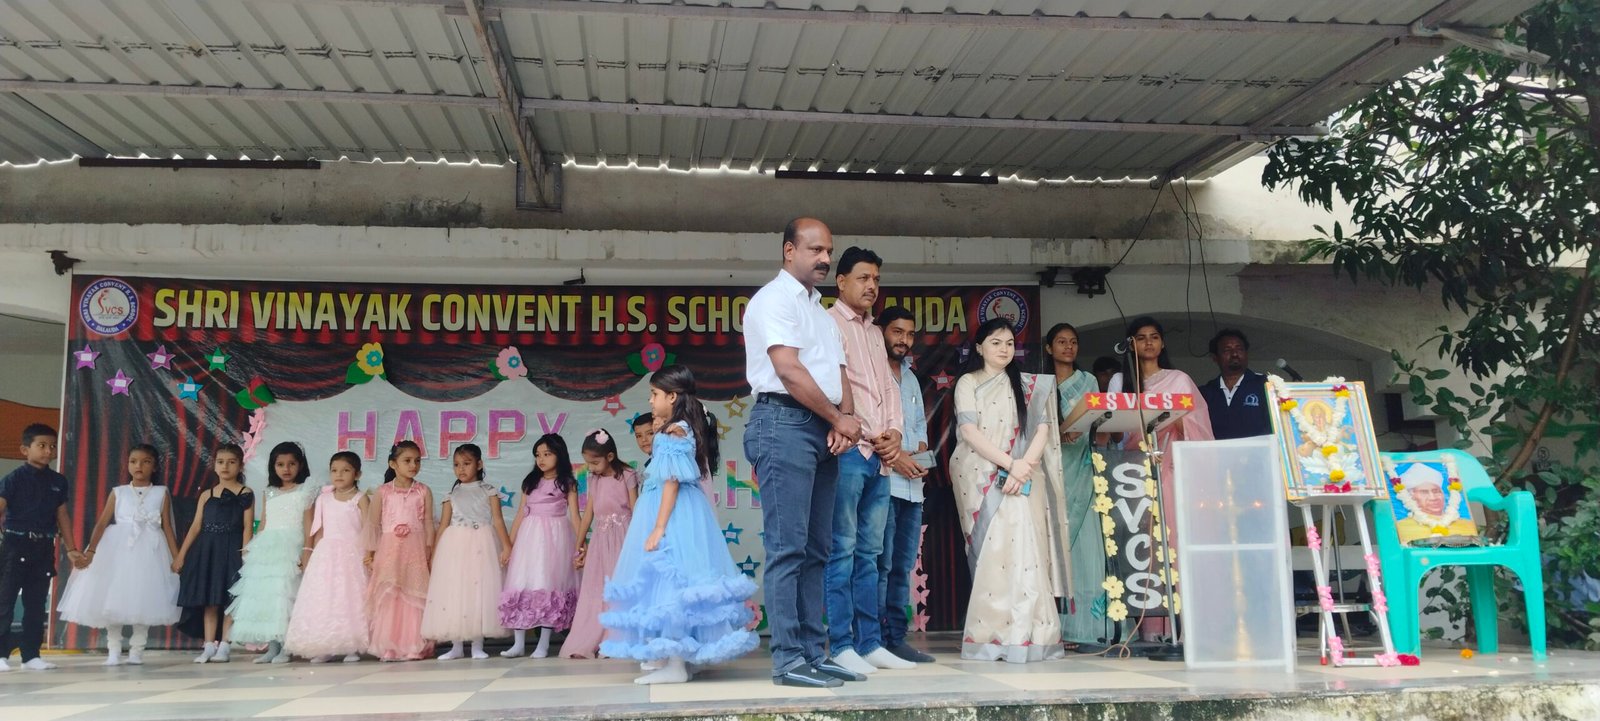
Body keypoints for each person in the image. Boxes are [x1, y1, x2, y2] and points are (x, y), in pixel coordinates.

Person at [741, 217, 864, 688]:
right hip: (783, 424)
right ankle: (788, 659)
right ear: (788, 251)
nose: (825, 259)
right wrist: (838, 419)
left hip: (822, 428)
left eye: (828, 250)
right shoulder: (773, 300)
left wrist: (845, 421)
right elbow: (788, 371)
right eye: (815, 249)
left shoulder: (820, 310)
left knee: (818, 549)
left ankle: (814, 653)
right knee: (788, 548)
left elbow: (839, 372)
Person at [599, 365, 759, 684]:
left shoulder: (675, 431)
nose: (650, 400)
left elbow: (671, 481)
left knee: (673, 579)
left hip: (673, 511)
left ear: (672, 396)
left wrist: (659, 527)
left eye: (655, 394)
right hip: (674, 507)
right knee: (672, 580)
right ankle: (679, 657)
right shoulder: (680, 427)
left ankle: (675, 662)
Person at [950, 318, 1070, 662]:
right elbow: (969, 432)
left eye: (1008, 343)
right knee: (995, 554)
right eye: (995, 342)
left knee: (1027, 553)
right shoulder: (968, 382)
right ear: (979, 348)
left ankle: (1031, 635)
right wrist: (1009, 464)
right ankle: (993, 635)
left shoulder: (1029, 385)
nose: (1003, 349)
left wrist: (1023, 466)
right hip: (983, 476)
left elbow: (1042, 430)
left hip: (1025, 478)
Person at [824, 246, 920, 674]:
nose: (871, 286)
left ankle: (869, 643)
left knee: (870, 553)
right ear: (841, 281)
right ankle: (842, 643)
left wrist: (895, 434)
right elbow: (833, 388)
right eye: (863, 278)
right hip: (849, 453)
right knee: (842, 550)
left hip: (880, 458)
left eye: (876, 279)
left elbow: (888, 389)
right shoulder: (828, 324)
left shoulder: (875, 332)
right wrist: (869, 434)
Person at [55, 443, 180, 666]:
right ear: (128, 465)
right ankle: (113, 649)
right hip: (117, 549)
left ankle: (137, 650)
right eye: (134, 461)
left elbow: (167, 527)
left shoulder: (161, 493)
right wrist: (91, 551)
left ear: (154, 466)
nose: (139, 466)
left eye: (146, 462)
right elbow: (103, 522)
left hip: (150, 551)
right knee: (113, 598)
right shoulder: (119, 492)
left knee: (145, 597)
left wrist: (176, 557)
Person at [874, 305, 934, 663]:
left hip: (913, 488)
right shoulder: (872, 371)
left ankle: (896, 639)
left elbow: (919, 428)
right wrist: (898, 458)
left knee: (902, 565)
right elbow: (870, 428)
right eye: (897, 332)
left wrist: (920, 452)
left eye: (910, 334)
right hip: (883, 482)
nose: (904, 340)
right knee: (879, 565)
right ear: (880, 331)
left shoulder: (910, 377)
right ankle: (874, 640)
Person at [0, 424, 85, 673]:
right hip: (15, 545)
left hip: (44, 547)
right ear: (25, 449)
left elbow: (62, 515)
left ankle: (31, 655)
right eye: (42, 445)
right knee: (5, 601)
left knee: (36, 602)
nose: (48, 451)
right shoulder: (14, 479)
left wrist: (71, 548)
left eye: (52, 446)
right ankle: (1, 654)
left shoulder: (58, 481)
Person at [1046, 323, 1108, 648]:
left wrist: (1074, 430)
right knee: (1051, 546)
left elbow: (1095, 418)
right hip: (1051, 469)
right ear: (1049, 348)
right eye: (1061, 342)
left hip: (1082, 469)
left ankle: (1086, 626)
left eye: (1072, 342)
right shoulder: (1039, 384)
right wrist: (1059, 431)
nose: (1068, 347)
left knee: (1086, 547)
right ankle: (1051, 627)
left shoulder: (1088, 381)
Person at [422, 443, 512, 660]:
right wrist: (435, 553)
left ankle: (477, 645)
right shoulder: (451, 495)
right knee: (456, 591)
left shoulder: (489, 491)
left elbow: (498, 520)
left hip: (482, 545)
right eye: (456, 465)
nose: (461, 469)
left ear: (479, 464)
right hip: (455, 547)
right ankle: (456, 646)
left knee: (479, 591)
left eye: (466, 463)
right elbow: (443, 525)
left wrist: (507, 545)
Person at [228, 442, 315, 664]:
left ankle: (287, 647)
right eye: (280, 464)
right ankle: (272, 647)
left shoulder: (305, 490)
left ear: (300, 465)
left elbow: (309, 523)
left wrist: (306, 549)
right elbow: (264, 522)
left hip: (291, 546)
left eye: (291, 464)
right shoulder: (269, 492)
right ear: (273, 467)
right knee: (268, 597)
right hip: (268, 548)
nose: (286, 469)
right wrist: (254, 548)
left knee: (285, 596)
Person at [284, 451, 371, 663]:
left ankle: (351, 646)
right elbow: (318, 529)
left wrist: (369, 554)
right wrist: (312, 553)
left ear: (357, 474)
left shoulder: (361, 499)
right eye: (334, 470)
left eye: (345, 470)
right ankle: (325, 645)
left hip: (352, 553)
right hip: (327, 554)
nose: (339, 474)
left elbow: (368, 529)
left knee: (349, 598)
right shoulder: (323, 498)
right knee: (325, 598)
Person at [499, 434, 580, 658]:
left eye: (547, 454)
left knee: (546, 583)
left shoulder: (567, 483)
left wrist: (581, 543)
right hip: (529, 538)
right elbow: (520, 514)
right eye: (537, 455)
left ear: (559, 455)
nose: (541, 459)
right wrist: (509, 544)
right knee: (521, 583)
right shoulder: (530, 482)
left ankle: (543, 644)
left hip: (555, 538)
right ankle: (518, 643)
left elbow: (575, 516)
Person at [173, 442, 254, 663]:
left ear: (240, 466)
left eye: (231, 462)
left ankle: (225, 645)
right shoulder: (207, 494)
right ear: (215, 466)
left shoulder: (245, 493)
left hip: (232, 549)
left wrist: (245, 554)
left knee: (229, 598)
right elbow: (196, 526)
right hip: (207, 550)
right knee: (210, 599)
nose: (225, 466)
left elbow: (247, 526)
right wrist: (181, 554)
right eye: (221, 462)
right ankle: (209, 645)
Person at [562, 429, 639, 658]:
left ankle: (617, 639)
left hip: (623, 536)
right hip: (600, 539)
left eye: (595, 462)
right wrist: (579, 544)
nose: (591, 467)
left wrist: (637, 540)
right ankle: (592, 639)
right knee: (597, 587)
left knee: (620, 586)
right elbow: (588, 514)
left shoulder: (627, 475)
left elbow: (636, 508)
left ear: (610, 456)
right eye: (588, 463)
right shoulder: (593, 479)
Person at [366, 440, 435, 662]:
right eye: (407, 460)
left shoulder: (423, 490)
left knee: (413, 594)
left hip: (415, 548)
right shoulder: (383, 492)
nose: (413, 465)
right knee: (391, 594)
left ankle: (414, 644)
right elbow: (373, 524)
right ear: (393, 464)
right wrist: (370, 553)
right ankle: (389, 645)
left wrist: (429, 550)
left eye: (417, 461)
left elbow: (428, 523)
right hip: (389, 549)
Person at [1198, 329, 1272, 439]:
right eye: (1227, 350)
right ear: (1215, 358)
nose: (1235, 354)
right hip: (1217, 450)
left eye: (1239, 349)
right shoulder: (1204, 393)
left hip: (1259, 450)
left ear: (1246, 354)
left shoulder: (1265, 385)